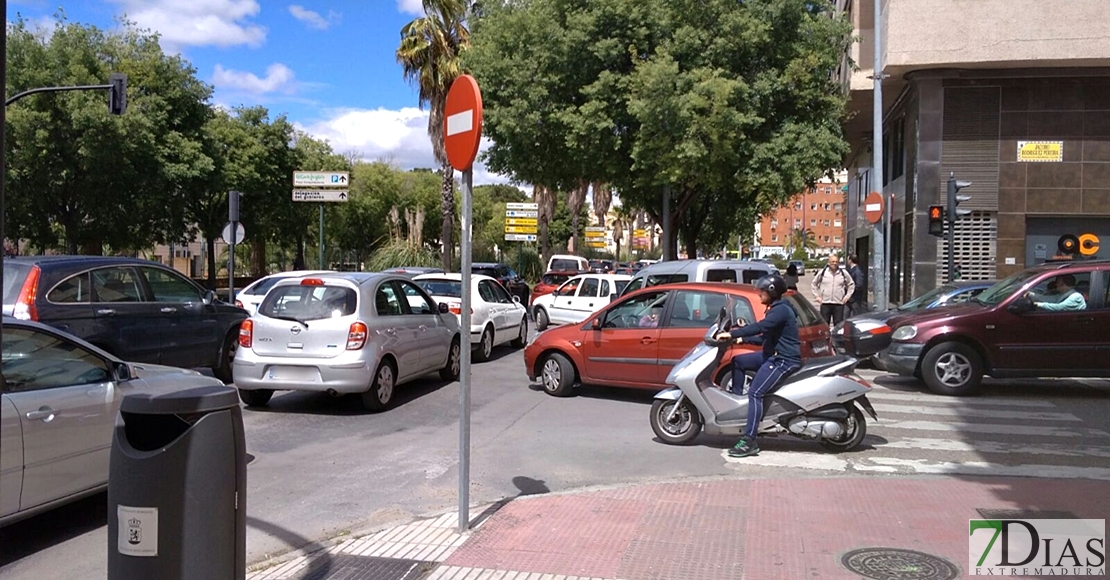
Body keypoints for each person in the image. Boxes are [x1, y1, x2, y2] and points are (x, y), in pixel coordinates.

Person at [714, 274, 802, 458]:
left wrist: (731, 334)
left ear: (772, 292)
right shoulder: (776, 308)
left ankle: (749, 440)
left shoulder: (780, 310)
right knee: (738, 361)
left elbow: (760, 327)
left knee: (755, 393)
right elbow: (764, 337)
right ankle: (738, 403)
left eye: (761, 291)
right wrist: (740, 339)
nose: (759, 294)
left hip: (783, 360)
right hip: (771, 355)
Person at [810, 254, 855, 326]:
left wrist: (847, 297)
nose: (834, 263)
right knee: (824, 325)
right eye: (833, 261)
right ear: (828, 262)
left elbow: (851, 284)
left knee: (838, 325)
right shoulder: (823, 272)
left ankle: (837, 337)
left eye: (836, 262)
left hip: (838, 304)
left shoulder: (843, 273)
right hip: (825, 303)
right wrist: (817, 296)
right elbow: (814, 284)